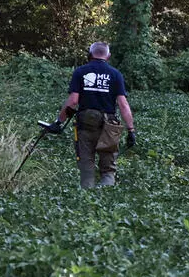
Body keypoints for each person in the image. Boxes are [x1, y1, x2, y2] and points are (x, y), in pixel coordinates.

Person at [50, 41, 135, 189]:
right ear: (108, 56)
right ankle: (105, 200)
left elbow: (73, 100)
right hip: (109, 127)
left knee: (87, 166)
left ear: (90, 55)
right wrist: (131, 130)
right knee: (108, 169)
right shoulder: (116, 74)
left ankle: (87, 202)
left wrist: (59, 122)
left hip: (86, 125)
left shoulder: (80, 72)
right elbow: (123, 104)